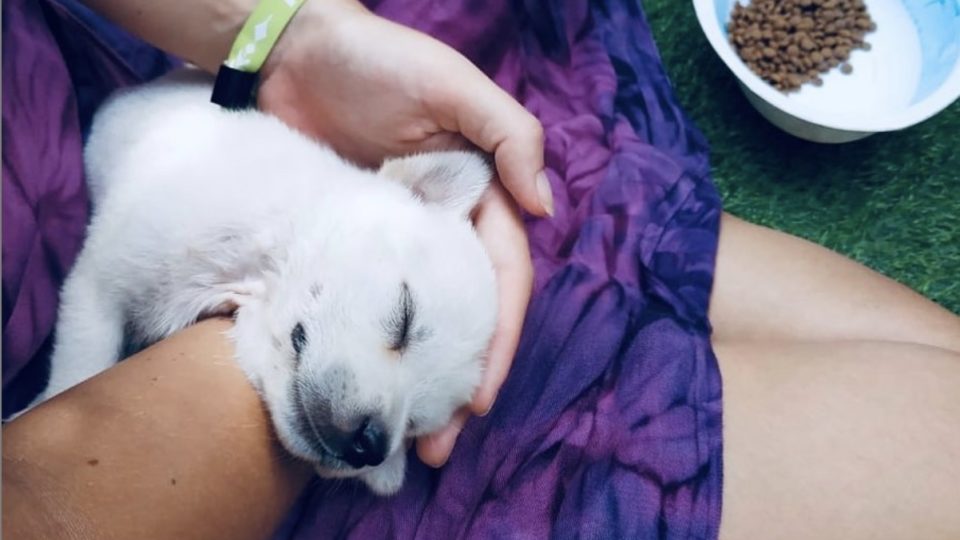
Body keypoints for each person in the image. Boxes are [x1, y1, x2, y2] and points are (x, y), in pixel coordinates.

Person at [4, 1, 959, 539]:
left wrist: (284, 35)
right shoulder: (220, 210)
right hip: (137, 421)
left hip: (167, 88)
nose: (379, 426)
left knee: (934, 366)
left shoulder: (344, 224)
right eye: (402, 325)